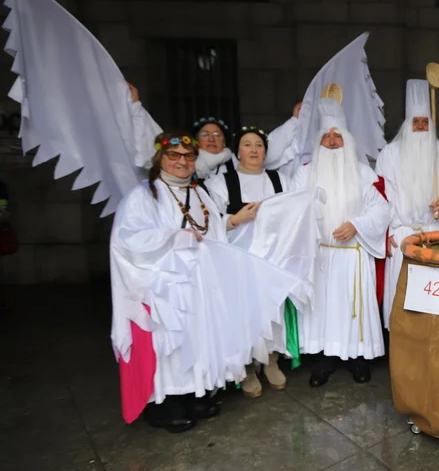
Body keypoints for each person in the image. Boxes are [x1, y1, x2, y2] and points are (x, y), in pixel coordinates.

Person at [109, 131, 289, 432]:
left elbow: (212, 229)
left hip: (199, 285)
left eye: (188, 156)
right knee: (170, 343)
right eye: (174, 156)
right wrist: (171, 237)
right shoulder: (143, 195)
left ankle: (195, 393)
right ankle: (165, 404)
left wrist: (233, 221)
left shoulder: (198, 193)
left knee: (198, 337)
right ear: (161, 159)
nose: (182, 162)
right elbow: (128, 238)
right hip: (165, 290)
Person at [295, 99, 390, 387]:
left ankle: (358, 358)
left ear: (347, 140)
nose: (332, 141)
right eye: (327, 136)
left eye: (338, 136)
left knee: (353, 308)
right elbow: (293, 209)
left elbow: (381, 209)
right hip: (320, 256)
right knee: (323, 310)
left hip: (353, 255)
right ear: (318, 141)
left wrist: (356, 225)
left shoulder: (362, 172)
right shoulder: (304, 173)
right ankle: (324, 360)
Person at [204, 127, 294, 397]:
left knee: (273, 309)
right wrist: (233, 220)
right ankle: (247, 367)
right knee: (244, 312)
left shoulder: (280, 180)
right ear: (237, 151)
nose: (254, 150)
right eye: (247, 145)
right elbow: (207, 223)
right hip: (237, 261)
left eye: (259, 145)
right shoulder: (220, 183)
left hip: (274, 258)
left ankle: (271, 360)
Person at [375, 79, 439, 328]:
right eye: (416, 122)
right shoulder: (389, 154)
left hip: (435, 234)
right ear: (407, 125)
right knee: (403, 298)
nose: (421, 127)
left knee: (435, 301)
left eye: (425, 122)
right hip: (403, 235)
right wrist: (387, 232)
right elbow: (380, 195)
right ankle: (402, 344)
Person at [127, 84, 301, 180]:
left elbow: (270, 149)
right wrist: (135, 107)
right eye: (205, 135)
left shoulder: (236, 162)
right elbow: (151, 141)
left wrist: (295, 121)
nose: (212, 139)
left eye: (217, 135)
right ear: (195, 141)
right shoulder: (182, 162)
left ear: (224, 141)